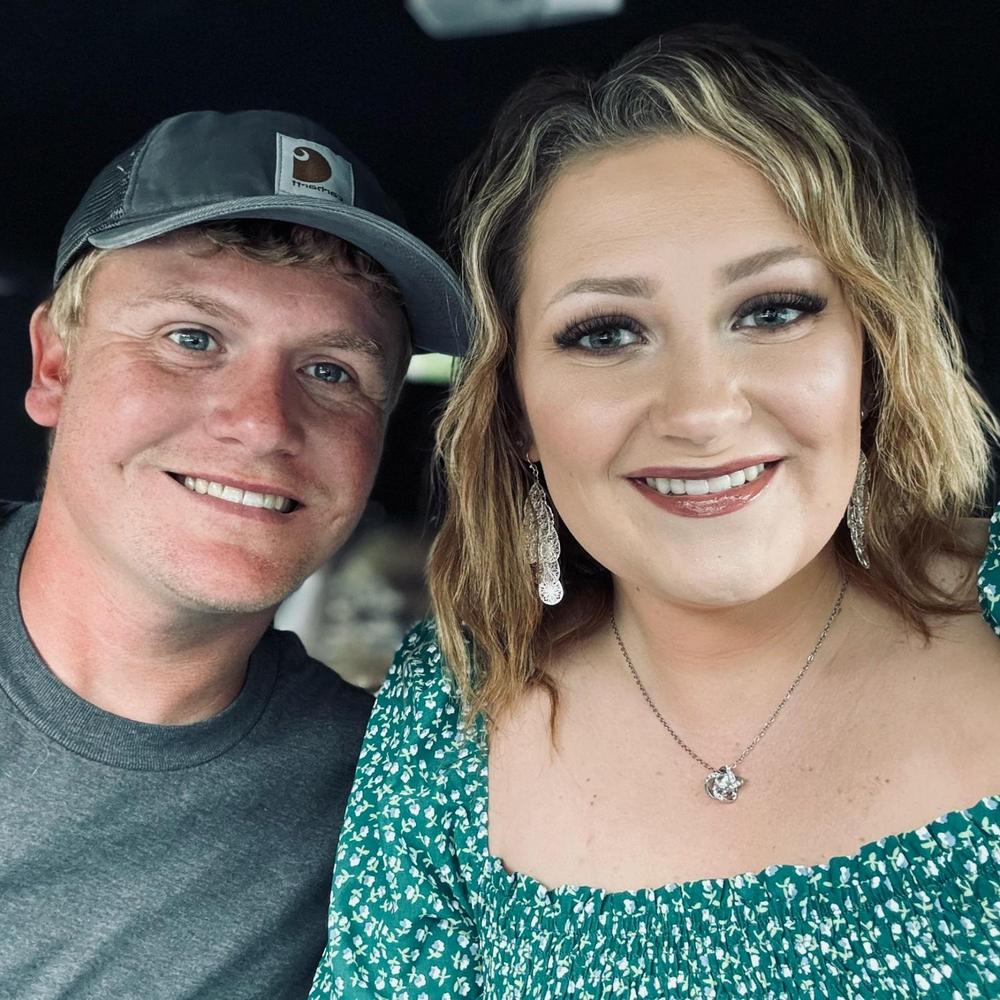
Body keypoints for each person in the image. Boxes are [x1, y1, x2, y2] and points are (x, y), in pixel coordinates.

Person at [311, 26, 1000, 1000]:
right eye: (605, 333)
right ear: (516, 411)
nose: (702, 410)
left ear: (871, 352)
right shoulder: (447, 711)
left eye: (772, 310)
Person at [0, 109, 467, 999]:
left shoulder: (389, 809)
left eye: (332, 371)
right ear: (55, 365)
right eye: (192, 338)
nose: (262, 423)